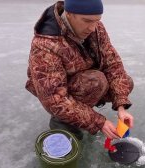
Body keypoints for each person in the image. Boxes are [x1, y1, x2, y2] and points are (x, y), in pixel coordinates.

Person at [25, 0, 134, 141]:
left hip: (86, 80)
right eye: (87, 21)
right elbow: (54, 99)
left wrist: (121, 106)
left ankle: (83, 109)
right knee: (96, 81)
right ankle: (61, 121)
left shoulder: (96, 28)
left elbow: (112, 64)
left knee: (126, 81)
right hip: (58, 93)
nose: (93, 27)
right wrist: (98, 122)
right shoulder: (46, 44)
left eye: (97, 21)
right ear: (69, 14)